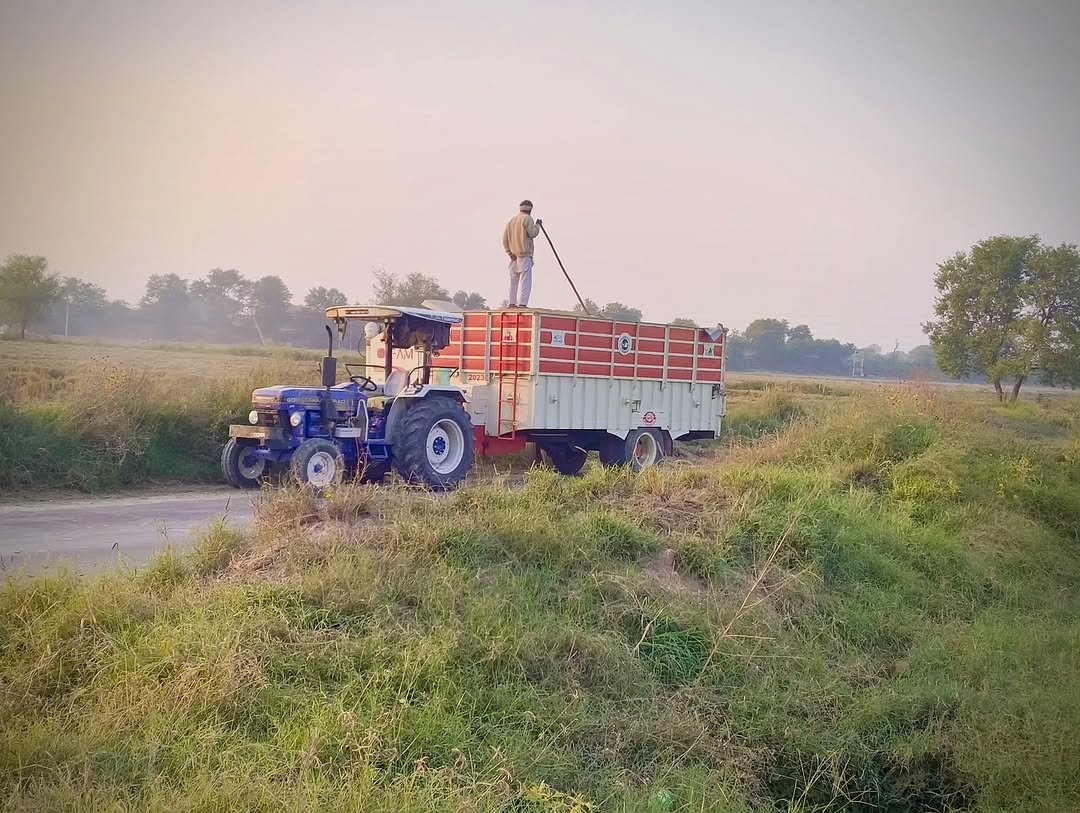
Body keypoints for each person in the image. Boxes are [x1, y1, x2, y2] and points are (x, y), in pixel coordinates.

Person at [502, 199, 541, 307]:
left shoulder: (511, 221)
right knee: (525, 281)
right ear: (530, 210)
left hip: (513, 256)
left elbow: (504, 239)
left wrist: (509, 253)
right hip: (524, 254)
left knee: (513, 281)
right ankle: (522, 304)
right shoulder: (527, 218)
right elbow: (533, 233)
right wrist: (537, 225)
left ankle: (512, 303)